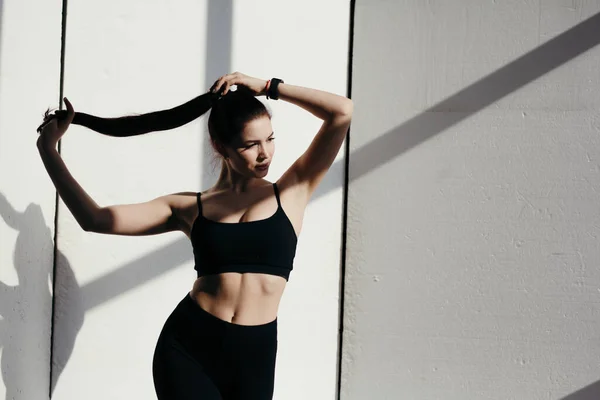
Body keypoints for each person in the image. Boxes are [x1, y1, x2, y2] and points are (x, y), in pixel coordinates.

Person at [36, 72, 353, 399]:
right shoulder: (190, 207)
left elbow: (342, 111)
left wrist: (269, 88)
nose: (265, 154)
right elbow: (96, 219)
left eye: (270, 139)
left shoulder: (292, 190)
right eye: (250, 144)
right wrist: (48, 149)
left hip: (254, 356)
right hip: (189, 348)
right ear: (221, 146)